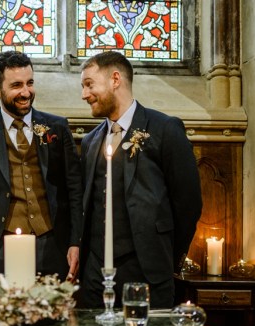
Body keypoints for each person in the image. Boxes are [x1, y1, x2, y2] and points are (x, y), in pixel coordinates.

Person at [79, 51, 202, 309]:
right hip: (94, 277)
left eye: (89, 84)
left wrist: (165, 256)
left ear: (115, 79)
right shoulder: (90, 141)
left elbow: (188, 203)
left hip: (149, 273)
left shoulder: (165, 129)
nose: (84, 94)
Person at [0, 51, 83, 283]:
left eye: (30, 83)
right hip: (1, 245)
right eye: (16, 85)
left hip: (53, 243)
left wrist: (75, 242)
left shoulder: (57, 128)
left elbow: (75, 190)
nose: (26, 92)